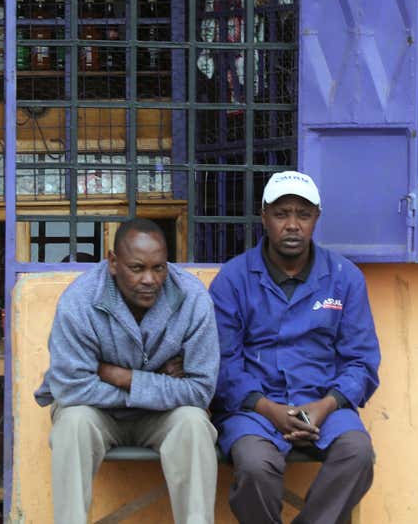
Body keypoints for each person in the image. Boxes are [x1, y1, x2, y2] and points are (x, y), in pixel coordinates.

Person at [211, 170, 381, 524]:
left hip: (323, 406)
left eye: (303, 215)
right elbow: (223, 364)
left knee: (357, 453)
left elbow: (361, 361)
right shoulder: (233, 278)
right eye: (281, 213)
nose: (292, 225)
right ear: (264, 217)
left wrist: (325, 405)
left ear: (316, 218)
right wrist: (269, 409)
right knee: (255, 467)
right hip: (254, 411)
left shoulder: (344, 277)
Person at [35, 218, 219, 524]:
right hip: (98, 414)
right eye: (137, 268)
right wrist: (158, 383)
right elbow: (70, 388)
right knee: (73, 423)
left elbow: (200, 391)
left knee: (194, 423)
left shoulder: (193, 298)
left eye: (158, 267)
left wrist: (123, 377)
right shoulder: (79, 301)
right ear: (113, 263)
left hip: (162, 418)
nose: (150, 279)